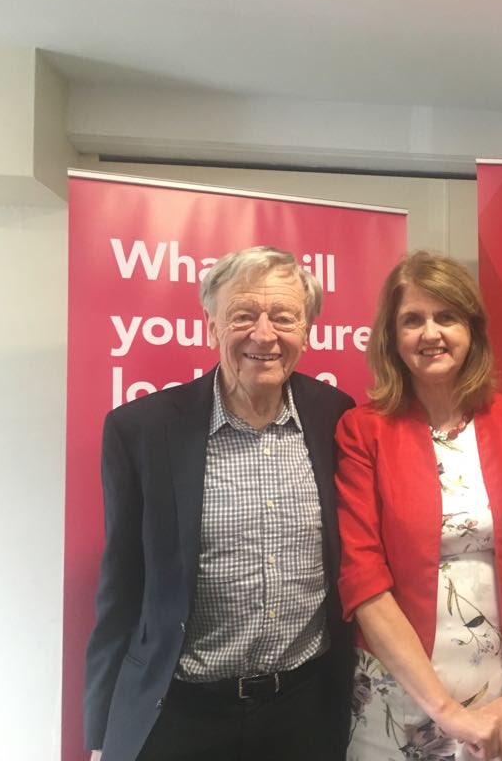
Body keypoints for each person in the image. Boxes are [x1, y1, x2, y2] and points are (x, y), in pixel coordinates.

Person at [84, 246, 355, 761]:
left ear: (307, 331)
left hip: (304, 711)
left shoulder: (336, 417)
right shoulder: (141, 430)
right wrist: (100, 735)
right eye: (243, 315)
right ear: (211, 326)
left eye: (283, 317)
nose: (264, 335)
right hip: (180, 713)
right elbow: (119, 588)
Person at [335, 251, 502, 761]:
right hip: (399, 690)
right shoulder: (363, 430)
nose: (431, 333)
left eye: (446, 316)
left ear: (471, 330)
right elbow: (362, 577)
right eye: (412, 320)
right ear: (391, 336)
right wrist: (446, 713)